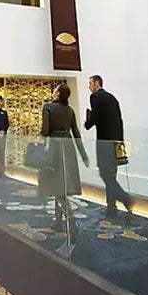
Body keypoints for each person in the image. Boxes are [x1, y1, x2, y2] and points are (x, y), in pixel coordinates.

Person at [40, 84, 89, 237]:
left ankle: (71, 221)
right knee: (61, 186)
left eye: (55, 90)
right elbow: (76, 133)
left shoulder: (48, 107)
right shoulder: (70, 110)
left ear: (58, 93)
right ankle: (58, 222)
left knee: (57, 187)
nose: (53, 92)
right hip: (68, 149)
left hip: (54, 149)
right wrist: (84, 155)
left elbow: (45, 131)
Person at [84, 75, 134, 220]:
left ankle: (125, 198)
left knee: (105, 174)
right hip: (116, 142)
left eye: (90, 84)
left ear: (96, 83)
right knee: (111, 174)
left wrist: (87, 123)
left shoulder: (95, 97)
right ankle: (111, 207)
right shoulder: (112, 98)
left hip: (104, 142)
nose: (89, 87)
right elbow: (119, 121)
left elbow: (96, 117)